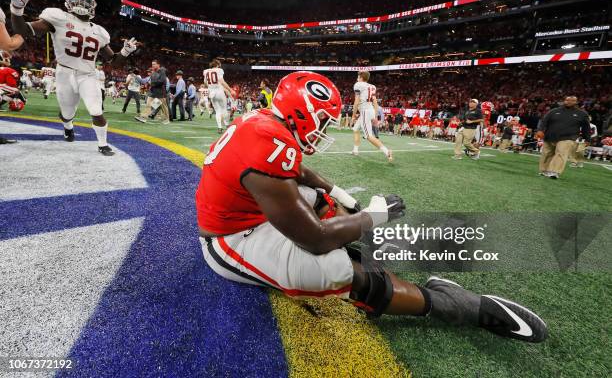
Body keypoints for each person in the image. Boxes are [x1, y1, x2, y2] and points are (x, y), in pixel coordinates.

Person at [196, 71, 547, 343]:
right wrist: (374, 215)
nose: (324, 129)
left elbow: (298, 172)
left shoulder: (262, 122)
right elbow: (316, 238)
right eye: (323, 120)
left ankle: (364, 249)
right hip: (230, 240)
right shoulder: (269, 140)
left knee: (317, 198)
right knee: (336, 268)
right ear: (304, 111)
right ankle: (447, 303)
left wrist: (337, 193)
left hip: (250, 214)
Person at [11, 0, 139, 156]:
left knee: (96, 110)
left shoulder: (99, 31)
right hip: (64, 73)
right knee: (67, 113)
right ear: (68, 1)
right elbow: (23, 30)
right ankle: (68, 126)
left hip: (87, 75)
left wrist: (125, 52)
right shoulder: (58, 17)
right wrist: (17, 10)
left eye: (84, 0)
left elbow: (114, 61)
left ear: (92, 5)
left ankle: (103, 144)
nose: (80, 3)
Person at [536, 96, 591, 179]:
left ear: (576, 102)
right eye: (567, 100)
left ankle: (554, 172)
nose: (569, 102)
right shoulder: (554, 111)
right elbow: (544, 121)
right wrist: (540, 130)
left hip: (568, 137)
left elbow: (586, 128)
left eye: (572, 100)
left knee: (561, 153)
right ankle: (544, 170)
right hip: (550, 136)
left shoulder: (582, 114)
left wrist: (587, 139)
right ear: (564, 101)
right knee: (547, 153)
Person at [351, 71, 393, 162]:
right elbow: (375, 102)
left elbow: (356, 101)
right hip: (370, 110)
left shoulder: (358, 84)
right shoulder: (372, 86)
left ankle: (386, 151)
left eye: (358, 76)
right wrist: (375, 116)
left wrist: (353, 116)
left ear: (361, 77)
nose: (357, 78)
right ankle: (355, 150)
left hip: (365, 111)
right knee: (355, 129)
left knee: (369, 136)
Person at [0, 50, 26, 144]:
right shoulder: (13, 71)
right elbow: (14, 89)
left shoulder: (4, 69)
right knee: (14, 91)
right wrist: (22, 100)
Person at [135, 60, 170, 124]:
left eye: (154, 64)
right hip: (153, 92)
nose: (152, 65)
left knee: (163, 107)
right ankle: (143, 117)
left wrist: (153, 84)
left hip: (160, 93)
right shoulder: (153, 73)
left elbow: (162, 81)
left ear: (158, 65)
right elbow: (146, 81)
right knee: (149, 105)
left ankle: (167, 119)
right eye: (152, 64)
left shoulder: (162, 71)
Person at [203, 59, 233, 134]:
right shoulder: (219, 70)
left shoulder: (206, 71)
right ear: (217, 65)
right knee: (224, 109)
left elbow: (205, 83)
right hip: (219, 91)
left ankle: (219, 127)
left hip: (211, 93)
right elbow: (222, 81)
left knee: (217, 111)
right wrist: (230, 89)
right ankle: (226, 124)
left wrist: (211, 86)